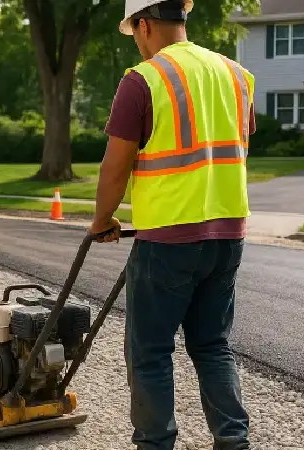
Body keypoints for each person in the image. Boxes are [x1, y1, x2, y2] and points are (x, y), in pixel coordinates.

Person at [88, 0, 257, 449]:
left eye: (134, 33)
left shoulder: (143, 80)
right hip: (227, 234)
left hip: (167, 239)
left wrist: (102, 220)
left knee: (150, 351)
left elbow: (115, 166)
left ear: (143, 25)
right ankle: (234, 442)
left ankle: (155, 444)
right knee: (213, 345)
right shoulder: (237, 75)